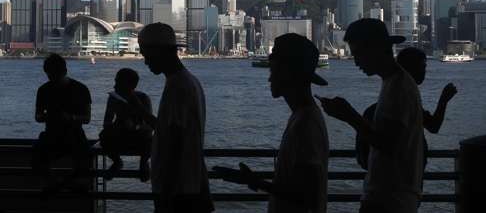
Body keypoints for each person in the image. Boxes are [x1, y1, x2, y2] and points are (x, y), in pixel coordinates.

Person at [315, 18, 424, 213]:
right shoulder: (393, 82)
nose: (356, 61)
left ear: (375, 49)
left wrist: (349, 116)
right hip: (392, 195)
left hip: (390, 198)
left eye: (358, 54)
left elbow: (389, 144)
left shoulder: (398, 87)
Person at [215, 33, 329, 213]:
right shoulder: (304, 117)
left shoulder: (305, 124)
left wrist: (255, 182)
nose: (269, 79)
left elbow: (307, 196)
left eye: (273, 71)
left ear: (288, 72)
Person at [133, 23, 213, 213]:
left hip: (179, 190)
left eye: (147, 55)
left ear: (160, 51)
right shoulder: (188, 81)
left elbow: (174, 140)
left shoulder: (178, 87)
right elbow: (170, 129)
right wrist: (142, 113)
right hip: (191, 183)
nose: (146, 62)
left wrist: (166, 193)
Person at [356, 47, 458, 170]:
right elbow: (433, 126)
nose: (424, 71)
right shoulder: (405, 100)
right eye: (422, 67)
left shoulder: (396, 98)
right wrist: (443, 100)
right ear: (410, 68)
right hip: (401, 181)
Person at [32, 54, 92, 191]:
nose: (52, 78)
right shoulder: (81, 89)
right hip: (74, 135)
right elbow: (87, 118)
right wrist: (72, 118)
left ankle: (53, 183)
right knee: (83, 159)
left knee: (38, 157)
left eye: (53, 75)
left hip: (54, 135)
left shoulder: (44, 90)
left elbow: (38, 116)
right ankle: (72, 183)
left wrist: (50, 117)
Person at [99, 68, 153, 182]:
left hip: (138, 134)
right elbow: (106, 121)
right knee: (103, 135)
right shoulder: (113, 98)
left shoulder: (143, 98)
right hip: (120, 133)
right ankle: (117, 161)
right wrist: (112, 127)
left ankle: (143, 163)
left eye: (117, 82)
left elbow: (149, 126)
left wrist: (135, 127)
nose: (114, 86)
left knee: (150, 140)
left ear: (129, 85)